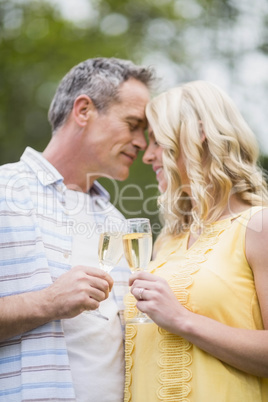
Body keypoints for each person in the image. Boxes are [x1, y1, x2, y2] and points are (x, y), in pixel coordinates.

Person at [0, 57, 155, 401]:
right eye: (133, 124)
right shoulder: (4, 190)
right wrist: (47, 302)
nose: (142, 142)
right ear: (83, 110)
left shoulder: (117, 221)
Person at [124, 81, 268, 402]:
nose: (147, 156)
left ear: (198, 133)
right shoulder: (167, 239)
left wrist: (181, 320)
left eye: (158, 142)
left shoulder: (258, 225)